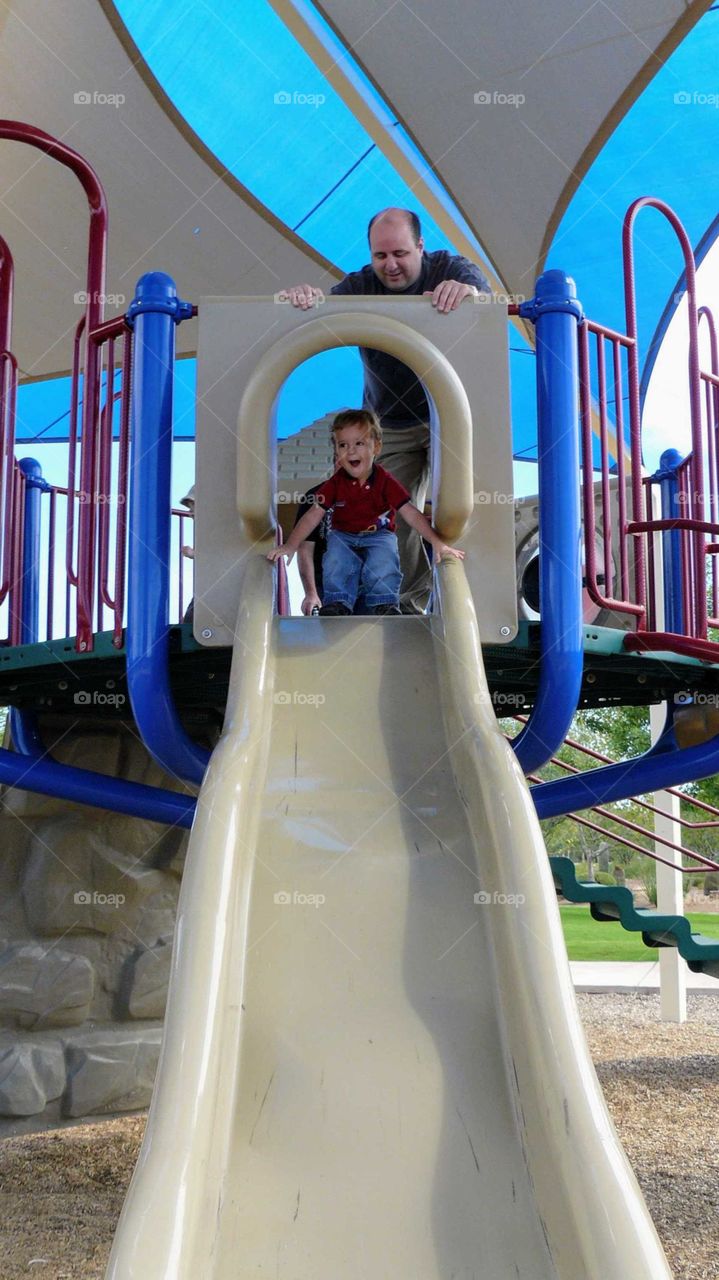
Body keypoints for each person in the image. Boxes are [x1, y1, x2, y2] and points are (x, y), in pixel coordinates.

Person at [279, 207, 489, 612]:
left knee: (464, 507)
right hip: (389, 422)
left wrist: (471, 295)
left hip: (448, 417)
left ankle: (472, 607)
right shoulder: (360, 285)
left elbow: (483, 294)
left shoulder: (447, 267)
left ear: (421, 247)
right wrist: (303, 299)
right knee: (393, 515)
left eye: (400, 253)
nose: (390, 265)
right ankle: (405, 606)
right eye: (380, 256)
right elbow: (320, 311)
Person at [267, 409, 464, 615]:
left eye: (359, 444)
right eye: (343, 446)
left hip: (377, 534)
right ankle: (338, 602)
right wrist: (290, 545)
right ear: (336, 455)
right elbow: (313, 516)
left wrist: (437, 542)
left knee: (385, 556)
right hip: (344, 535)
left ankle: (384, 602)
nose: (350, 451)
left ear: (376, 447)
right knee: (336, 556)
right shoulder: (333, 486)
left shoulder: (385, 482)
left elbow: (411, 513)